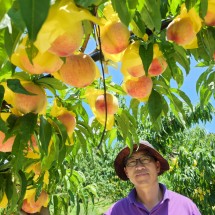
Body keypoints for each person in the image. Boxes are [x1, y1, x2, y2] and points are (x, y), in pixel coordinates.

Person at [104, 140, 201, 215]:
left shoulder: (186, 207)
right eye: (132, 162)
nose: (139, 167)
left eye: (145, 159)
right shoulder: (116, 211)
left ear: (157, 166)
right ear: (126, 172)